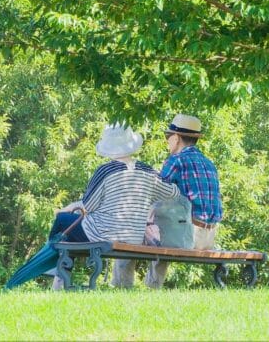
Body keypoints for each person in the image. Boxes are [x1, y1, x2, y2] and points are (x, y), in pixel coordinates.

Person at [49, 123, 179, 289]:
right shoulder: (148, 171)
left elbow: (88, 206)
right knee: (66, 230)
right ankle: (58, 279)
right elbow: (173, 192)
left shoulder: (105, 171)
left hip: (103, 233)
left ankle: (55, 272)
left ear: (109, 147)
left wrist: (67, 208)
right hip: (134, 235)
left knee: (63, 221)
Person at [145, 113, 223, 289]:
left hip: (188, 237)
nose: (167, 140)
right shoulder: (208, 163)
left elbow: (155, 194)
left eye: (168, 136)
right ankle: (151, 287)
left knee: (133, 232)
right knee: (165, 219)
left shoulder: (177, 160)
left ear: (177, 138)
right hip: (209, 237)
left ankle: (124, 286)